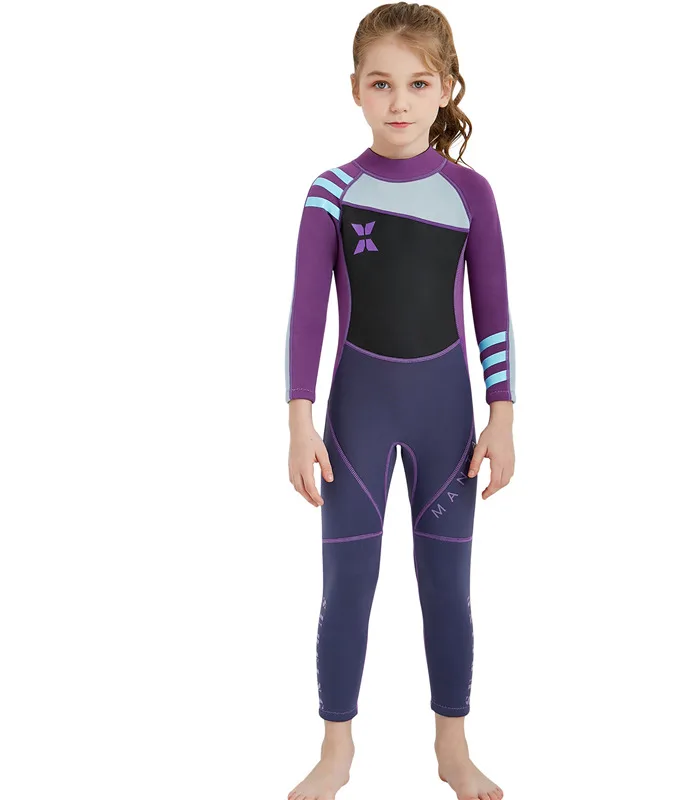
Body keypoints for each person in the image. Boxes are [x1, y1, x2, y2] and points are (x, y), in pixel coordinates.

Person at [284, 4, 514, 799]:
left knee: (447, 587)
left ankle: (453, 747)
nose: (400, 102)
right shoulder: (331, 192)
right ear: (355, 88)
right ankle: (336, 751)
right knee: (347, 587)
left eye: (418, 83)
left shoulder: (470, 193)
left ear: (446, 88)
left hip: (447, 420)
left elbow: (493, 310)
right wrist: (299, 422)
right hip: (355, 422)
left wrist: (503, 415)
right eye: (381, 83)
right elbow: (306, 314)